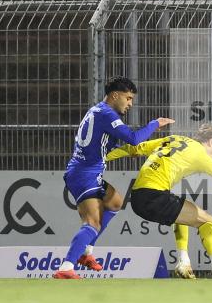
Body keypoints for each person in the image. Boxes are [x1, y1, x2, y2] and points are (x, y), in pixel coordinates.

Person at [105, 123, 212, 278]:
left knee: (182, 217)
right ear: (211, 141)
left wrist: (104, 157)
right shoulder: (200, 153)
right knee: (208, 221)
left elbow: (137, 148)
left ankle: (184, 262)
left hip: (138, 197)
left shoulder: (174, 138)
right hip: (154, 195)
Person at [53, 77, 174, 279]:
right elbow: (134, 138)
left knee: (115, 202)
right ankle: (66, 267)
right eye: (128, 98)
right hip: (84, 175)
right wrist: (155, 124)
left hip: (89, 172)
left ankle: (86, 252)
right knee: (92, 223)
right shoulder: (107, 114)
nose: (130, 104)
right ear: (115, 95)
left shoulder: (97, 111)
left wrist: (124, 149)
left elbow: (99, 143)